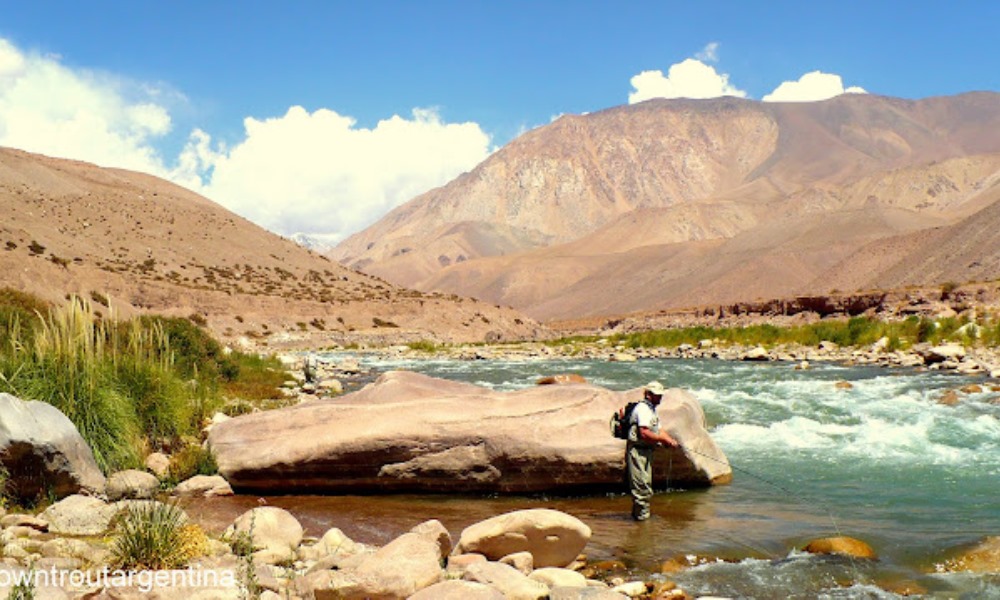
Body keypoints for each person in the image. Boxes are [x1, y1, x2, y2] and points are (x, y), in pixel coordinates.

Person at [627, 381, 681, 521]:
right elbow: (644, 433)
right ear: (648, 395)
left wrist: (670, 440)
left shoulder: (652, 410)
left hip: (647, 451)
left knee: (645, 485)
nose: (659, 398)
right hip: (638, 452)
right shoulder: (643, 409)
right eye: (657, 395)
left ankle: (639, 519)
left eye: (660, 395)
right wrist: (663, 440)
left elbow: (659, 430)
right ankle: (642, 524)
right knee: (642, 488)